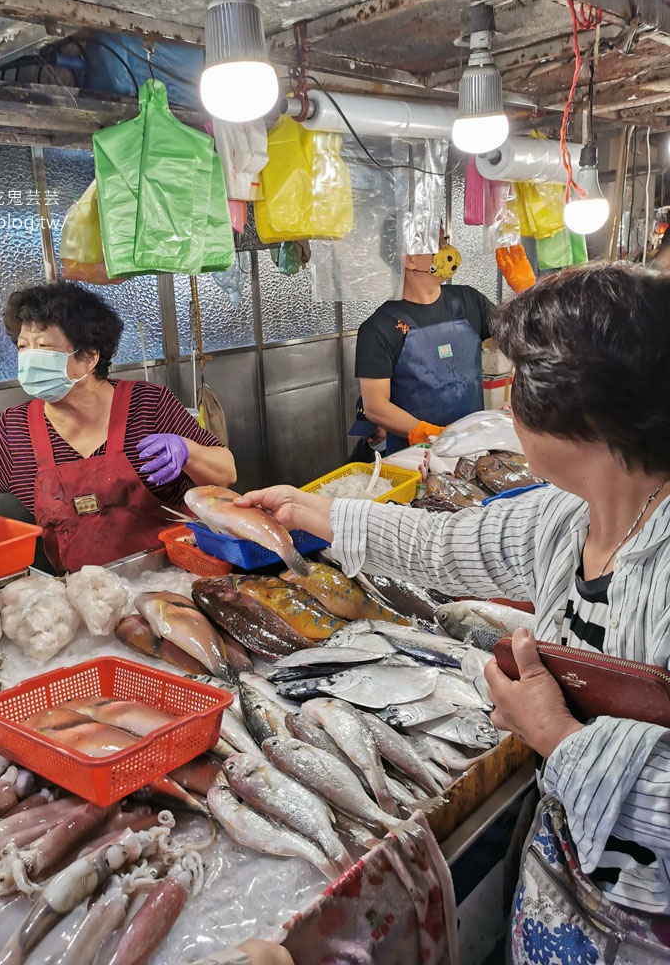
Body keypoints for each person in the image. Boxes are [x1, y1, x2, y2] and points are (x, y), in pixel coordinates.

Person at [236, 262, 670, 962]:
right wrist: (312, 512)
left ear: (587, 411)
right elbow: (443, 544)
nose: (509, 405)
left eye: (522, 383)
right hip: (566, 867)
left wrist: (555, 733)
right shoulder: (567, 514)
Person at [0, 282, 237, 573]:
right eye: (23, 346)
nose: (28, 359)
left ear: (89, 357)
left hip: (181, 577)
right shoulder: (15, 431)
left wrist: (187, 451)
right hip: (90, 604)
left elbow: (226, 472)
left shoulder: (147, 404)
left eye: (44, 347)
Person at [355, 220, 494, 455]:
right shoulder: (378, 329)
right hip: (416, 459)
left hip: (473, 450)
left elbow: (517, 341)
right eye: (437, 244)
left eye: (445, 241)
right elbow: (375, 407)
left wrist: (527, 295)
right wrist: (432, 434)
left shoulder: (469, 300)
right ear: (409, 260)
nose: (448, 250)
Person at [346, 397, 386, 463]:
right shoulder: (363, 446)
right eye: (364, 432)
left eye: (374, 433)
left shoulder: (404, 446)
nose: (369, 440)